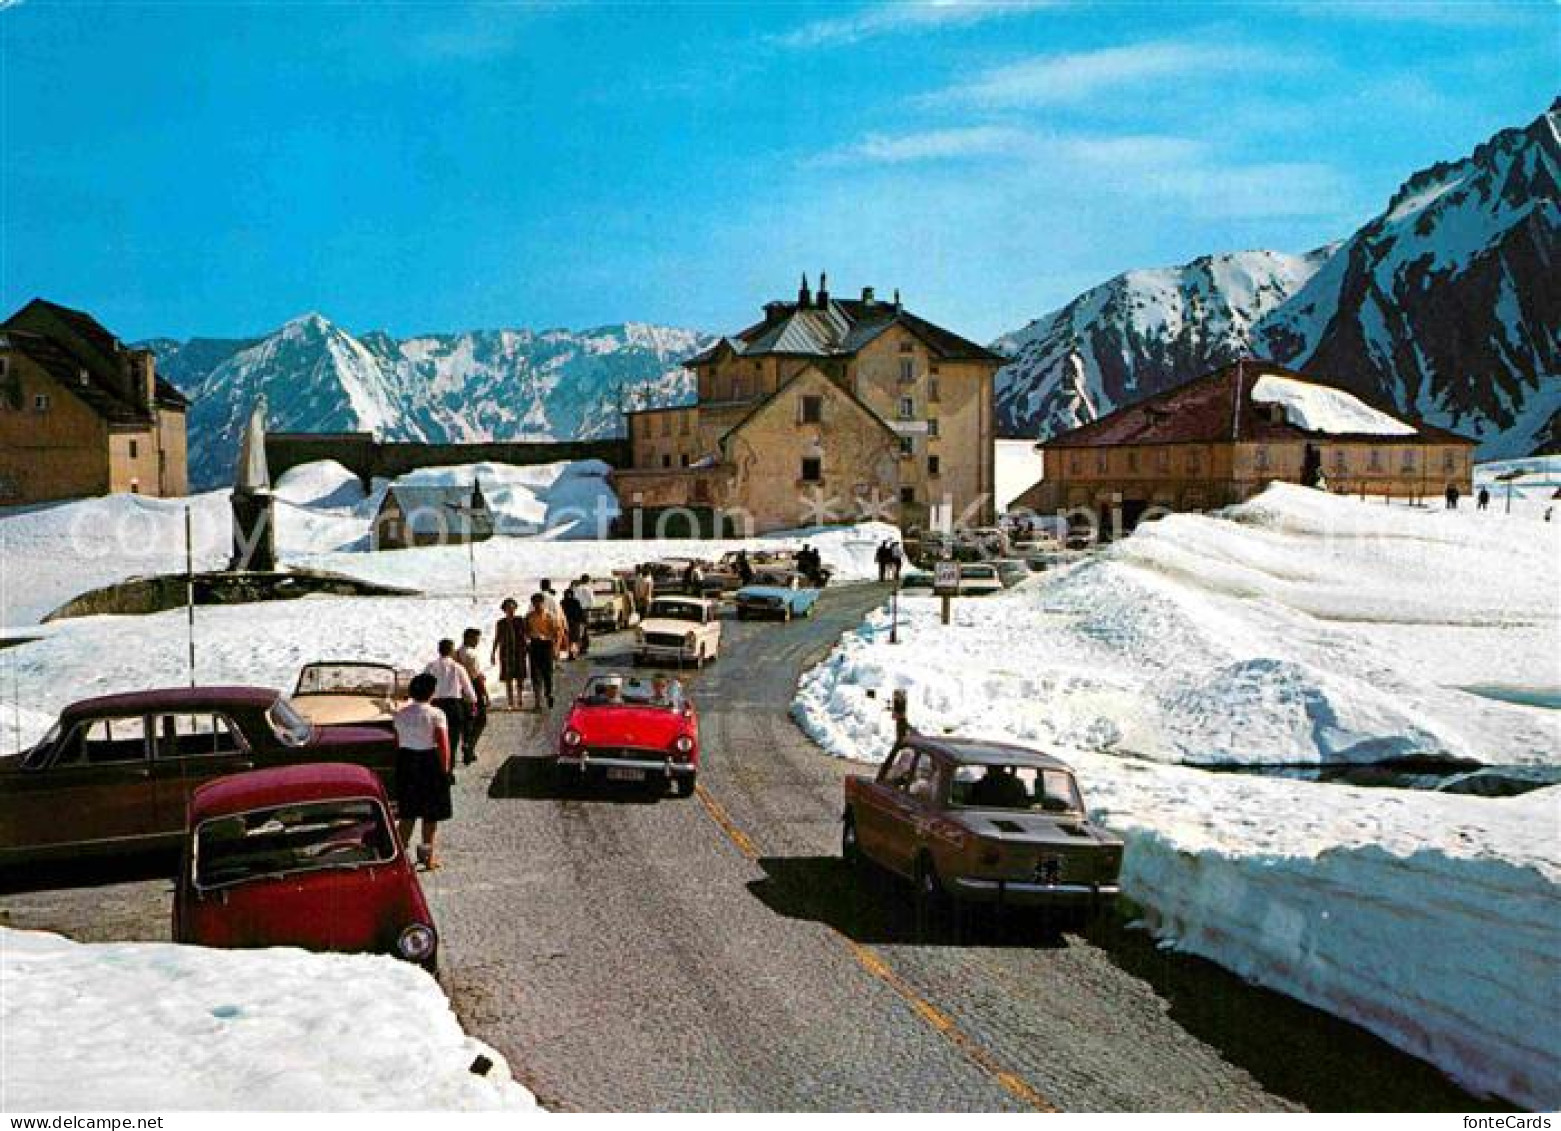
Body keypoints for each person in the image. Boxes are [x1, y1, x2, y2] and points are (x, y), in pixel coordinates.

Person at [393, 672, 452, 870]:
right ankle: (427, 858)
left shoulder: (400, 714)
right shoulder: (436, 714)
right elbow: (443, 744)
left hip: (406, 760)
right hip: (428, 761)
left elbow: (398, 741)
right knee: (430, 815)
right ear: (431, 692)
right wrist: (445, 770)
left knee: (407, 814)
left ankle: (399, 858)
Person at [424, 639, 477, 770]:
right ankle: (449, 771)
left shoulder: (430, 666)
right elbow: (469, 692)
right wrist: (473, 702)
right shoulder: (458, 667)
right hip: (454, 706)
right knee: (451, 742)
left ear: (439, 650)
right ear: (452, 651)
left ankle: (436, 769)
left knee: (434, 740)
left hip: (435, 705)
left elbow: (423, 684)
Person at [524, 592, 566, 710]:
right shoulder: (528, 617)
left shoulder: (550, 616)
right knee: (535, 674)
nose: (537, 605)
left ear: (543, 603)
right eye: (534, 603)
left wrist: (556, 648)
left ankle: (548, 693)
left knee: (547, 673)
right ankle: (537, 702)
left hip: (547, 645)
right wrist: (527, 640)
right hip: (534, 645)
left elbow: (557, 633)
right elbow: (525, 631)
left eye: (539, 603)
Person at [454, 627, 487, 766]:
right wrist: (485, 693)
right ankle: (470, 746)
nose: (477, 642)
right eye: (476, 639)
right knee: (481, 719)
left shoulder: (456, 653)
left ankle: (466, 744)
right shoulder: (472, 654)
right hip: (473, 687)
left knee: (467, 720)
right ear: (469, 638)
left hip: (459, 689)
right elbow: (477, 676)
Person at [490, 597, 527, 711]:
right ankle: (510, 701)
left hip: (519, 652)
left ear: (515, 608)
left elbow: (525, 634)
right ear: (504, 609)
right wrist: (493, 652)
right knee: (508, 678)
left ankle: (520, 698)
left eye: (512, 608)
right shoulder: (500, 623)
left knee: (520, 677)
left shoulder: (520, 620)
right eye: (508, 608)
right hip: (506, 653)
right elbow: (497, 638)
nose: (510, 610)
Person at [571, 574, 596, 656]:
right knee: (585, 629)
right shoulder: (588, 589)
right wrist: (590, 608)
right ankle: (584, 647)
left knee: (578, 629)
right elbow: (592, 601)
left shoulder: (576, 589)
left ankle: (579, 646)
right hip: (585, 610)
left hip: (576, 611)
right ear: (587, 580)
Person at [560, 585, 585, 661]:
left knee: (572, 639)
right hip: (572, 623)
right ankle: (572, 654)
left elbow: (580, 612)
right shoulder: (574, 602)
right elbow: (580, 612)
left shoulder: (563, 602)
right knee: (573, 639)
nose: (568, 596)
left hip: (572, 623)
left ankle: (572, 654)